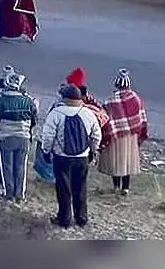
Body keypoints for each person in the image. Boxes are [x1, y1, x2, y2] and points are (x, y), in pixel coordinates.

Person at [41, 84, 102, 229]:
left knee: (63, 189)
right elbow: (96, 135)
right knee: (80, 187)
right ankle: (81, 218)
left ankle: (64, 218)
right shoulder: (87, 113)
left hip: (62, 157)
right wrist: (93, 150)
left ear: (65, 98)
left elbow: (48, 136)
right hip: (82, 157)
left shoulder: (56, 113)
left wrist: (46, 151)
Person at [0, 71, 38, 202]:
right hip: (24, 138)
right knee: (21, 166)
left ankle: (8, 193)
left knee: (6, 166)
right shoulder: (28, 101)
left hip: (5, 138)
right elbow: (34, 119)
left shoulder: (1, 102)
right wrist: (28, 131)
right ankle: (20, 194)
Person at [98, 69, 148, 195]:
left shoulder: (110, 101)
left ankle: (116, 186)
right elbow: (141, 118)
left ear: (116, 84)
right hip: (131, 136)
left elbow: (106, 120)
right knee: (128, 162)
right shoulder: (136, 98)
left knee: (116, 163)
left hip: (116, 136)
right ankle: (126, 188)